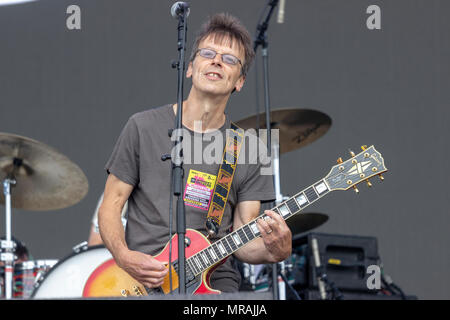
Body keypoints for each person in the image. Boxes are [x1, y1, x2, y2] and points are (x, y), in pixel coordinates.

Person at [98, 13, 292, 294]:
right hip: (143, 278)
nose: (216, 61)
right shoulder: (142, 127)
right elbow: (110, 206)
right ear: (189, 68)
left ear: (239, 81)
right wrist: (124, 257)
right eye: (208, 53)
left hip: (214, 283)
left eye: (229, 59)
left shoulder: (251, 149)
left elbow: (245, 239)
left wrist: (277, 250)